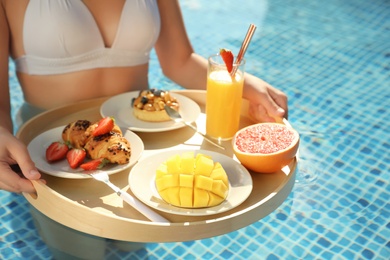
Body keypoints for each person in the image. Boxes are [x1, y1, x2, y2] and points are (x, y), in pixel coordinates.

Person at [0, 0, 288, 194]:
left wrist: (246, 85)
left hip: (138, 143)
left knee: (133, 246)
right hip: (49, 155)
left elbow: (180, 61)